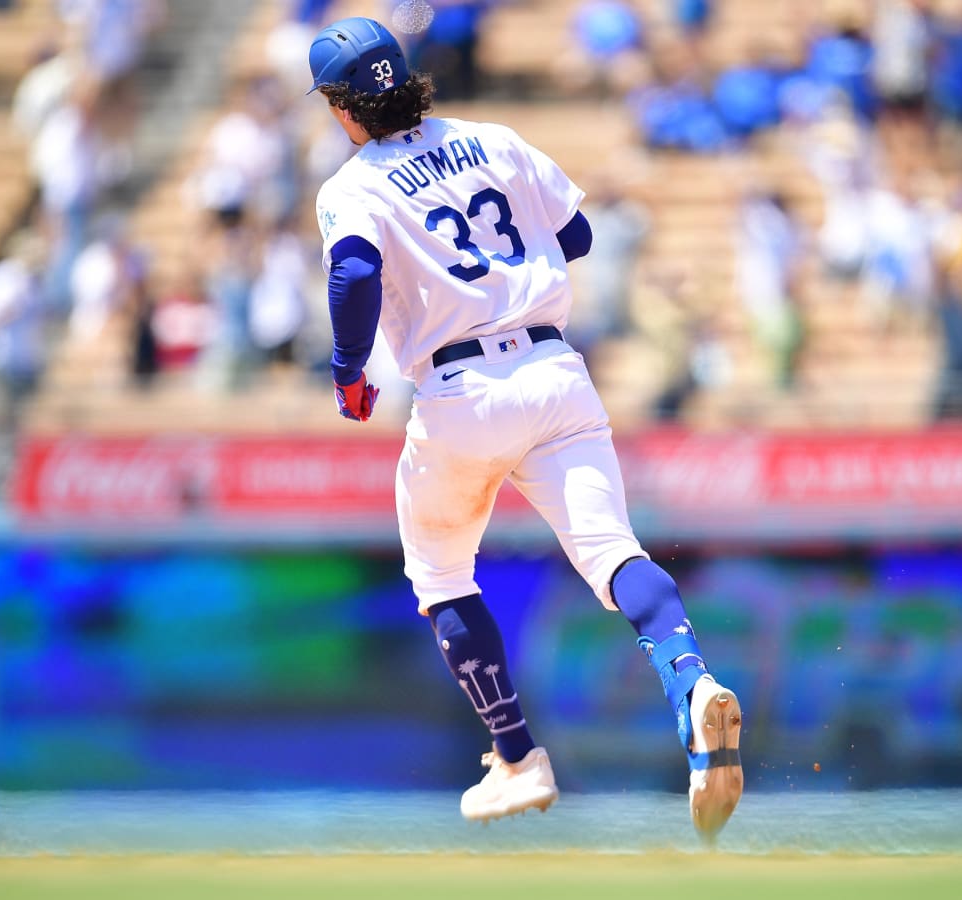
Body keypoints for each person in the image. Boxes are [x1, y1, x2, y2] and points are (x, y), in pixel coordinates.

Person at [305, 17, 743, 840]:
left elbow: (357, 268)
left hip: (460, 388)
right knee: (615, 555)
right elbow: (574, 235)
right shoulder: (493, 139)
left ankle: (516, 757)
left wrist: (347, 371)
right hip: (554, 369)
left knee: (439, 573)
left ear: (341, 108)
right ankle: (691, 684)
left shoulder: (351, 185)